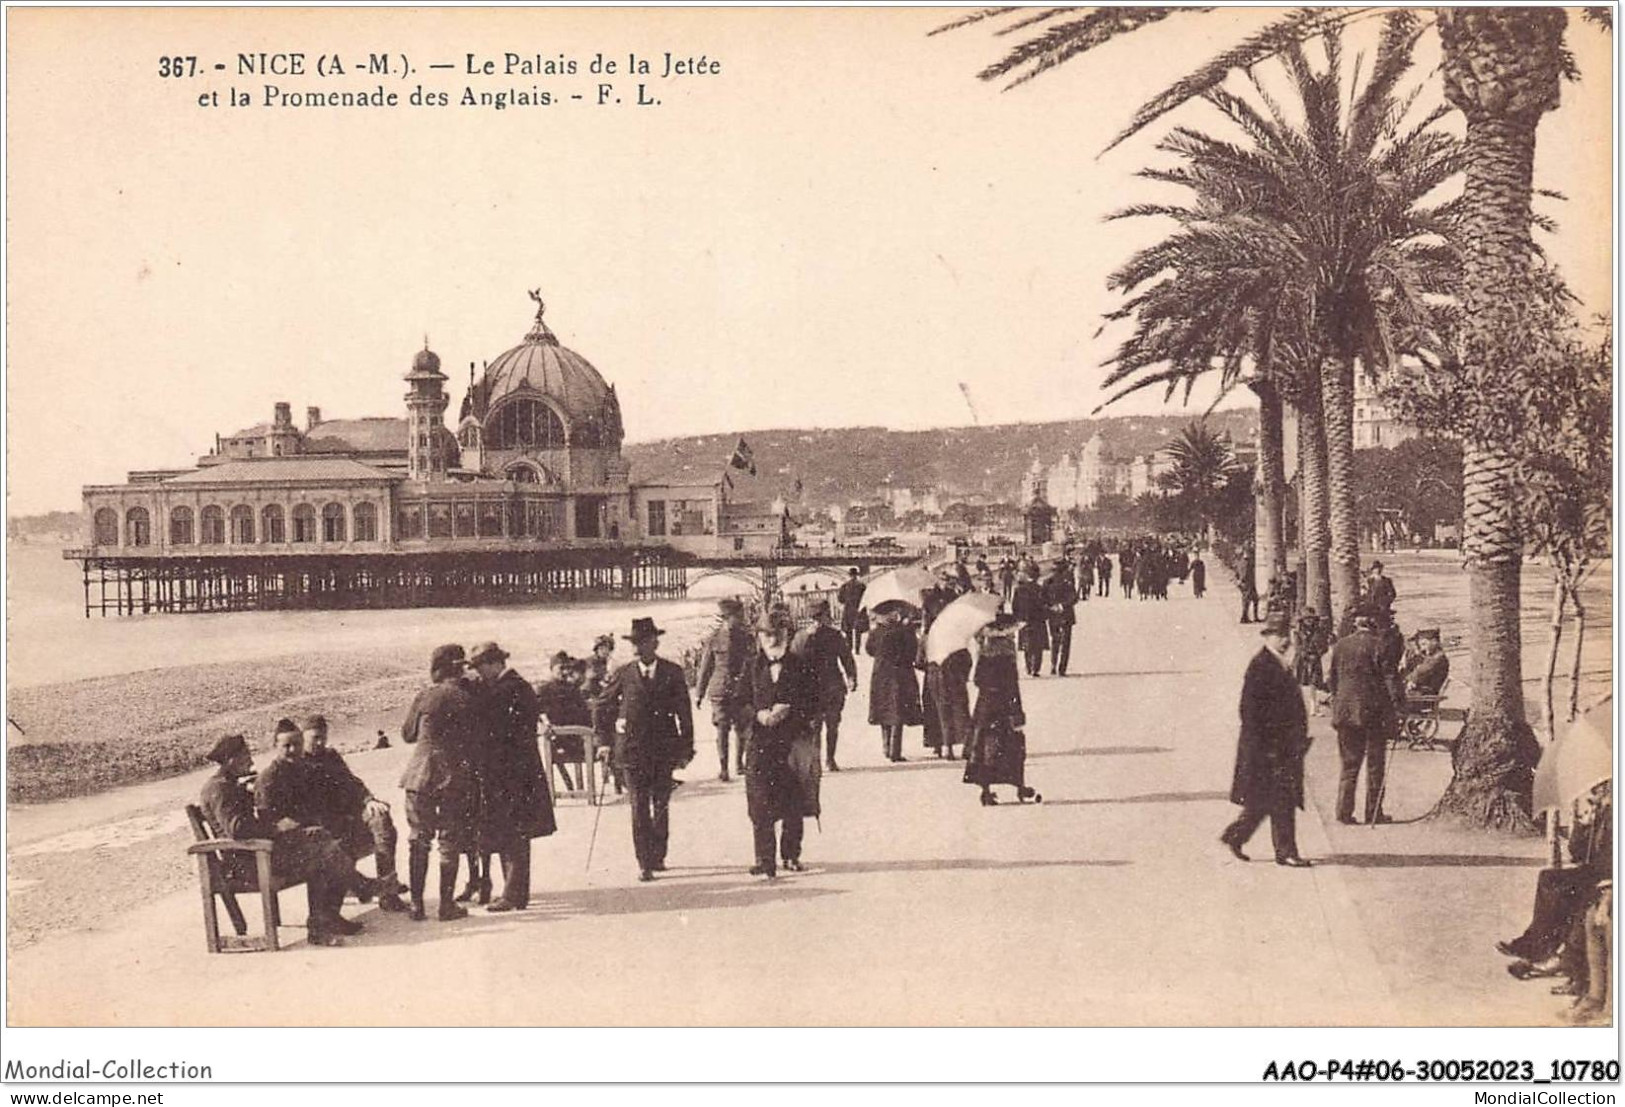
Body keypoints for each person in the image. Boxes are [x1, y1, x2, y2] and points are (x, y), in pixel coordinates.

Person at [199, 733, 356, 946]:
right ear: (231, 760)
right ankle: (345, 902)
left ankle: (329, 917)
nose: (252, 761)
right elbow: (238, 829)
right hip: (247, 864)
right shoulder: (219, 788)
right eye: (246, 757)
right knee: (320, 853)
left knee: (319, 838)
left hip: (255, 854)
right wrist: (275, 827)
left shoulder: (227, 784)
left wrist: (249, 791)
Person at [592, 617, 695, 882]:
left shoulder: (672, 672)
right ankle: (644, 861)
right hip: (631, 751)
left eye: (643, 642)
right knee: (638, 806)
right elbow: (601, 707)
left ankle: (658, 854)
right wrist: (604, 741)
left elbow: (684, 712)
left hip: (664, 750)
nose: (637, 647)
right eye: (634, 642)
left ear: (655, 643)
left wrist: (686, 748)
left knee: (660, 804)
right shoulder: (624, 674)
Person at [1219, 612, 1312, 867]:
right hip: (1269, 749)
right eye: (1280, 635)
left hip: (1280, 747)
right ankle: (1286, 852)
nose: (1285, 640)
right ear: (1268, 637)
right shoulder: (1261, 666)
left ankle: (1235, 836)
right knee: (1282, 799)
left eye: (1287, 635)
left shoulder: (1278, 662)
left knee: (1265, 800)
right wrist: (1269, 745)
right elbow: (1248, 712)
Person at [468, 641, 554, 912]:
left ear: (495, 664)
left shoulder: (509, 689)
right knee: (512, 832)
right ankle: (512, 891)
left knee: (515, 833)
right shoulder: (515, 686)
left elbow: (492, 725)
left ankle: (514, 895)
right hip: (517, 771)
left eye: (481, 667)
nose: (479, 674)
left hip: (513, 774)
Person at [399, 643, 479, 921]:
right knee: (449, 840)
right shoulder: (465, 697)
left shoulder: (425, 695)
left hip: (418, 776)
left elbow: (407, 735)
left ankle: (417, 905)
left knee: (418, 839)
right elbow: (475, 739)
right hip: (452, 778)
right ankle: (446, 905)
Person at [300, 714, 408, 913]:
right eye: (315, 738)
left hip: (346, 819)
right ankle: (360, 885)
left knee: (380, 819)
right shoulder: (296, 762)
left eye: (323, 737)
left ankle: (387, 890)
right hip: (322, 827)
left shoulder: (330, 756)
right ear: (302, 737)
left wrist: (369, 801)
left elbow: (352, 782)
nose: (320, 742)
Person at [744, 609, 822, 877]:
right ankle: (765, 859)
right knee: (759, 802)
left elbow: (814, 703)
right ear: (759, 637)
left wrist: (790, 710)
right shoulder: (751, 666)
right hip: (759, 744)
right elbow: (738, 703)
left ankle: (790, 855)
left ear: (787, 635)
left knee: (793, 803)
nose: (772, 639)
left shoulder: (800, 665)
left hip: (791, 742)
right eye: (767, 634)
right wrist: (758, 714)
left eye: (778, 633)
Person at [1325, 605, 1403, 825]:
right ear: (1373, 623)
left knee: (1349, 764)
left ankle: (1343, 812)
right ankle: (1374, 812)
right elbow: (1390, 680)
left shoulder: (1340, 646)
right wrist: (1399, 705)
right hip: (1373, 714)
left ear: (1356, 624)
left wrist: (1339, 699)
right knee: (1375, 765)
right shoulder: (1380, 646)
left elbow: (1331, 679)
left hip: (1345, 713)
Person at [963, 615, 1040, 805]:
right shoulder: (1007, 658)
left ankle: (986, 790)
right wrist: (1018, 713)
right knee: (1012, 746)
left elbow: (978, 681)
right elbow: (1013, 687)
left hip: (985, 707)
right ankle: (1019, 786)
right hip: (1005, 707)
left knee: (985, 748)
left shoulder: (985, 656)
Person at [791, 599, 858, 771]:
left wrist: (852, 677)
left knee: (825, 725)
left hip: (824, 688)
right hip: (824, 687)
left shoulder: (805, 636)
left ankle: (826, 760)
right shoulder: (805, 637)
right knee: (824, 726)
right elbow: (795, 661)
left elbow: (846, 658)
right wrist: (851, 677)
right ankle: (825, 760)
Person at [693, 597, 755, 782]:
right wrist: (699, 693)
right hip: (724, 689)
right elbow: (706, 667)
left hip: (734, 688)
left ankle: (737, 763)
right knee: (723, 728)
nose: (742, 618)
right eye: (739, 615)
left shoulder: (743, 637)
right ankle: (725, 767)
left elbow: (753, 665)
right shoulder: (720, 638)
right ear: (729, 617)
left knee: (740, 727)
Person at [865, 604, 922, 762]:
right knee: (898, 710)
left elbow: (869, 650)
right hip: (901, 673)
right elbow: (913, 651)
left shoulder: (876, 631)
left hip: (881, 674)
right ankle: (895, 751)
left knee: (884, 709)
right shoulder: (904, 631)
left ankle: (886, 746)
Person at [535, 650, 592, 793]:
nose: (565, 672)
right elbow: (536, 712)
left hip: (578, 737)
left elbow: (584, 714)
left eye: (567, 668)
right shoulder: (544, 689)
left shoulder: (573, 689)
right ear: (551, 669)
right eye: (561, 668)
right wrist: (544, 724)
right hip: (559, 739)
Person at [583, 634, 623, 796]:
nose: (605, 651)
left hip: (608, 704)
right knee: (603, 722)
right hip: (592, 705)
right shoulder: (589, 664)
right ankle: (609, 759)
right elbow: (587, 686)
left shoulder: (612, 663)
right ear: (597, 649)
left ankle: (616, 772)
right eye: (602, 648)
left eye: (607, 648)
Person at [1009, 563, 1049, 677]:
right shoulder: (1039, 589)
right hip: (1038, 621)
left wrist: (1018, 618)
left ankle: (1028, 667)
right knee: (1038, 645)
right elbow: (1045, 604)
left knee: (1027, 645)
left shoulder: (1019, 589)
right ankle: (1035, 668)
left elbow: (1014, 606)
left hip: (1024, 620)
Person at [1043, 559, 1079, 676]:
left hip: (1053, 614)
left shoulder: (1047, 582)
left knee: (1055, 640)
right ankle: (1061, 668)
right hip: (1066, 615)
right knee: (1065, 643)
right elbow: (1074, 598)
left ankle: (1054, 665)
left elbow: (1043, 599)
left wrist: (1051, 607)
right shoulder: (1067, 582)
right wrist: (1062, 605)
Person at [1294, 610, 1329, 718]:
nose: (1309, 621)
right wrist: (1304, 654)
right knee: (1299, 683)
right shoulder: (1298, 632)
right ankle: (1297, 707)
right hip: (1302, 659)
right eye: (1307, 619)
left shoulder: (1319, 632)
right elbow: (1297, 646)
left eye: (1311, 619)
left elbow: (1324, 646)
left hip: (1315, 659)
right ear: (1303, 620)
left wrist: (1318, 653)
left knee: (1314, 683)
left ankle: (1314, 707)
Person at [1402, 630, 1451, 698]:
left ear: (1434, 642)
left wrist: (1407, 679)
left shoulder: (1437, 658)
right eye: (1420, 645)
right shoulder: (1431, 657)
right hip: (1421, 693)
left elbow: (1420, 672)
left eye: (1424, 644)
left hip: (1424, 696)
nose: (1422, 648)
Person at [837, 569, 867, 653]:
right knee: (858, 630)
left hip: (848, 610)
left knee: (848, 630)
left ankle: (849, 648)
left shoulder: (845, 586)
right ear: (856, 575)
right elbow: (866, 598)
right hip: (858, 609)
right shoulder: (862, 586)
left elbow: (840, 599)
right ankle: (857, 649)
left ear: (849, 575)